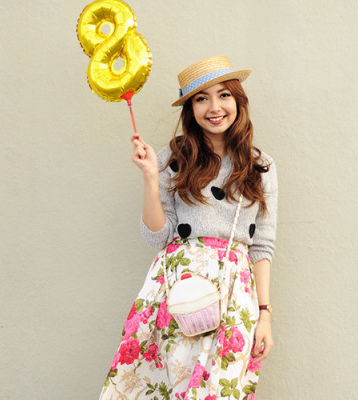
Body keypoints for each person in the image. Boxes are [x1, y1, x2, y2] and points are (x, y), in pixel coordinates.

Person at [99, 56, 278, 400]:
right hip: (175, 290)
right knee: (168, 387)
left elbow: (262, 246)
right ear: (191, 109)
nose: (215, 107)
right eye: (201, 98)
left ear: (238, 100)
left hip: (234, 294)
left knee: (220, 390)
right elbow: (157, 236)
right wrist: (150, 177)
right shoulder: (172, 157)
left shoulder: (260, 166)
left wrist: (264, 315)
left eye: (224, 95)